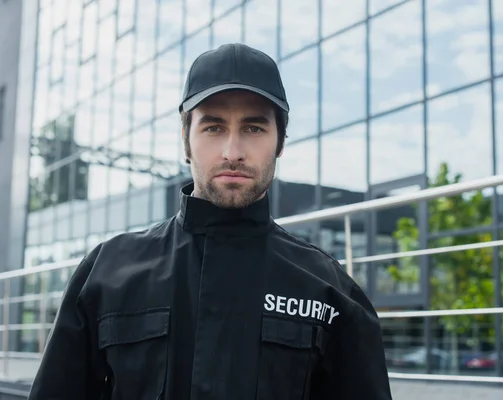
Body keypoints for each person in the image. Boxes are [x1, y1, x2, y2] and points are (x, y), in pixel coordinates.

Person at [28, 43, 393, 400]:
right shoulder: (107, 273)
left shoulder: (329, 291)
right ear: (186, 140)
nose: (232, 152)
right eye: (213, 127)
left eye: (253, 128)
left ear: (280, 142)